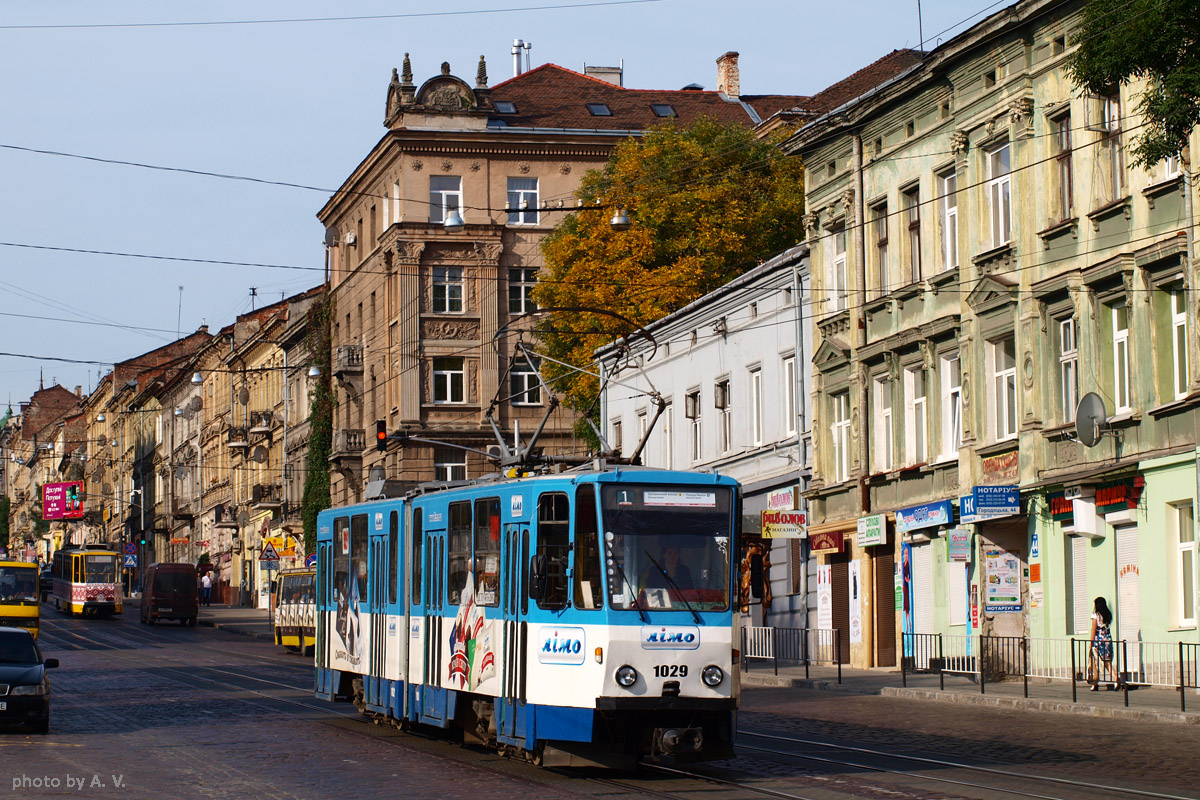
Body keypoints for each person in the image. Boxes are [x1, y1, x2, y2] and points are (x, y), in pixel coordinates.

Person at [1089, 596, 1115, 691]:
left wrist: (1091, 642)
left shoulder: (1096, 615)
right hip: (1107, 639)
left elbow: (1093, 629)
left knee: (1095, 662)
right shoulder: (1107, 614)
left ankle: (1095, 683)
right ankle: (1116, 679)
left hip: (1098, 640)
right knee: (1107, 661)